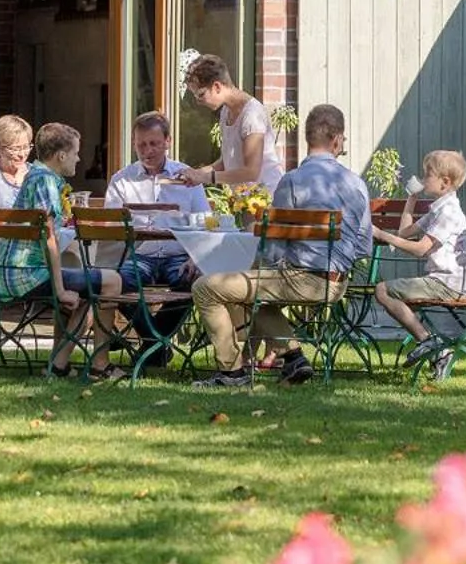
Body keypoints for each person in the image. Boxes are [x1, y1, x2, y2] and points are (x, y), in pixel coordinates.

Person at [192, 104, 372, 389]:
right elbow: (363, 247)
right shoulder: (357, 184)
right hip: (337, 284)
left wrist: (258, 269)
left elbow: (273, 245)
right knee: (255, 297)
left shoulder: (292, 181)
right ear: (337, 140)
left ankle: (232, 373)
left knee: (205, 288)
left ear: (307, 138)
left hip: (297, 279)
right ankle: (294, 358)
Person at [7, 121, 126, 381]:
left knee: (86, 291)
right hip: (29, 275)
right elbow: (48, 237)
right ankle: (100, 364)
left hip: (21, 272)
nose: (79, 159)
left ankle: (59, 364)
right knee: (112, 281)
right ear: (61, 155)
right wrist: (60, 290)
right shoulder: (45, 182)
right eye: (75, 153)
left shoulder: (36, 177)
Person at [105, 111, 212, 361]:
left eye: (153, 143)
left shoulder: (187, 177)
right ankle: (156, 344)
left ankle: (152, 345)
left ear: (168, 141)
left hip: (178, 256)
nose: (147, 151)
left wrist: (195, 258)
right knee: (116, 282)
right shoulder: (122, 180)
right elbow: (112, 228)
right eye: (141, 145)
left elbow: (204, 222)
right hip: (140, 256)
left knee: (194, 280)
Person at [372, 150, 466, 381]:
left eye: (428, 174)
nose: (423, 178)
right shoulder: (438, 208)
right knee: (390, 293)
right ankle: (435, 350)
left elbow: (420, 249)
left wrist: (381, 235)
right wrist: (412, 198)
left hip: (447, 283)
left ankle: (429, 342)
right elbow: (404, 232)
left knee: (383, 289)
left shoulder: (449, 212)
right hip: (442, 280)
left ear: (444, 182)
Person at [173, 54, 285, 199]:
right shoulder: (226, 112)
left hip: (268, 199)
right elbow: (226, 162)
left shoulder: (252, 115)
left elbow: (251, 172)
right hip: (245, 200)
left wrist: (206, 178)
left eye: (200, 95)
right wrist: (196, 173)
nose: (198, 102)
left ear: (217, 86)